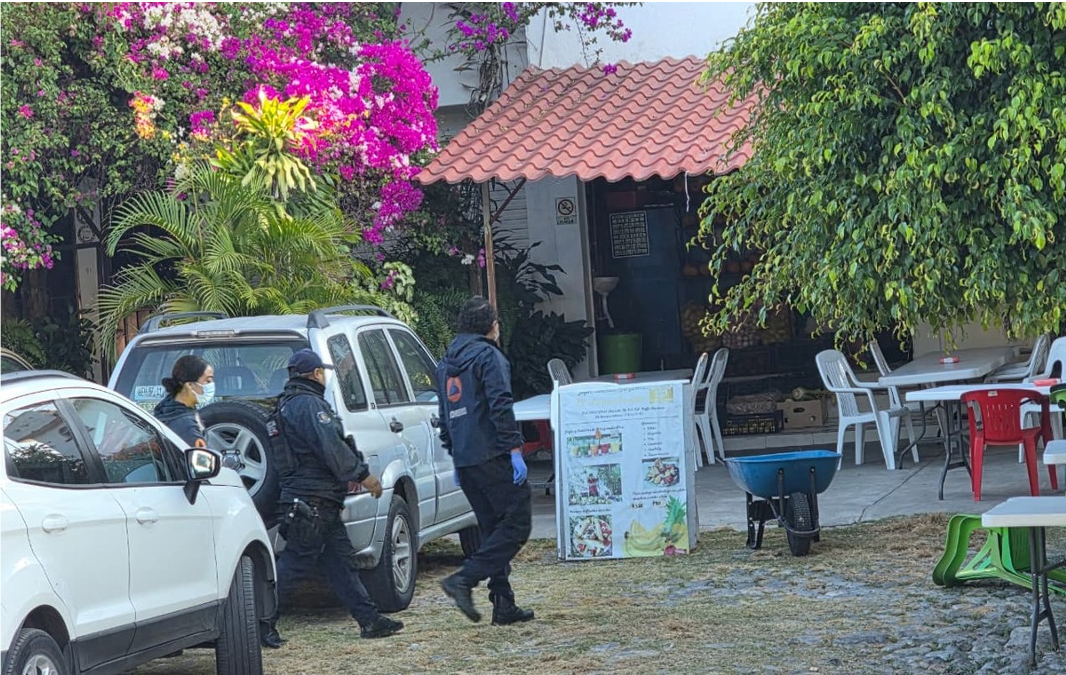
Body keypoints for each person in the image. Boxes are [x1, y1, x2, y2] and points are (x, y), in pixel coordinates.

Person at [262, 348, 403, 647]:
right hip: (313, 499)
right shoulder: (309, 405)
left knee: (341, 564)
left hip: (312, 500)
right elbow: (332, 446)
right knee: (295, 563)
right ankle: (260, 624)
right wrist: (363, 475)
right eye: (323, 372)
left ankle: (370, 620)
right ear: (316, 374)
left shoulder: (282, 407)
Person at [436, 296, 535, 626]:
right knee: (517, 524)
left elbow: (444, 415)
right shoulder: (488, 356)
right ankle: (463, 580)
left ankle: (503, 603)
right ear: (492, 326)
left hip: (466, 460)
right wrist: (515, 450)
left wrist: (455, 456)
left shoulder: (445, 363)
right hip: (492, 454)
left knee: (493, 529)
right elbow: (500, 404)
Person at [153, 354, 215, 447]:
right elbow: (200, 454)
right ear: (189, 385)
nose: (211, 385)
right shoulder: (186, 426)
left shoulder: (166, 407)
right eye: (208, 381)